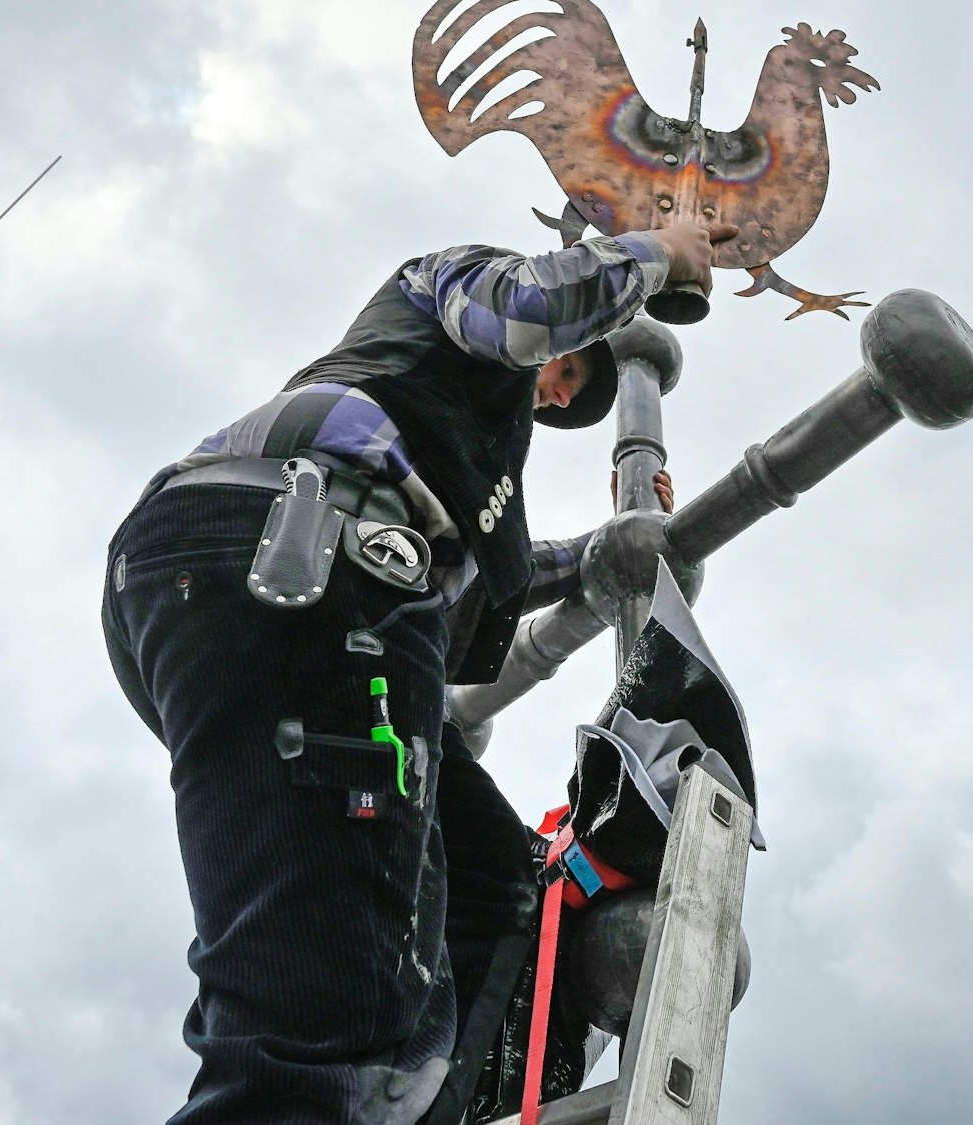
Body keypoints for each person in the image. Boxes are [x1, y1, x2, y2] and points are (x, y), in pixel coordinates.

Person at [101, 219, 734, 1124]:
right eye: (569, 368)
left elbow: (487, 586)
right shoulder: (458, 285)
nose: (556, 390)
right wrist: (657, 252)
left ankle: (446, 1099)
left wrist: (612, 545)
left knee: (497, 897)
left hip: (267, 593)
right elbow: (525, 312)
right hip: (298, 556)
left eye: (569, 391)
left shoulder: (460, 479)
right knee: (326, 1016)